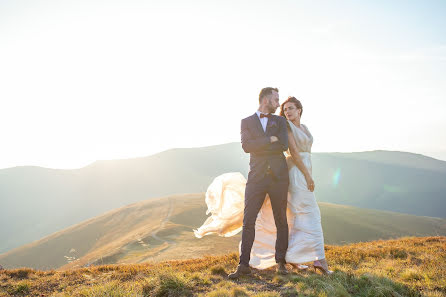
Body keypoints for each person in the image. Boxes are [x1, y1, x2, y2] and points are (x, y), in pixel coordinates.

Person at [194, 94, 332, 277]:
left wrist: (308, 171)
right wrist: (307, 175)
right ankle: (319, 260)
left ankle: (292, 258)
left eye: (291, 108)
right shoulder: (285, 125)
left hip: (295, 172)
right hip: (297, 173)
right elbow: (291, 151)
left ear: (299, 110)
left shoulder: (303, 127)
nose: (286, 111)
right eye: (285, 108)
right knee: (312, 214)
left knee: (290, 218)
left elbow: (285, 146)